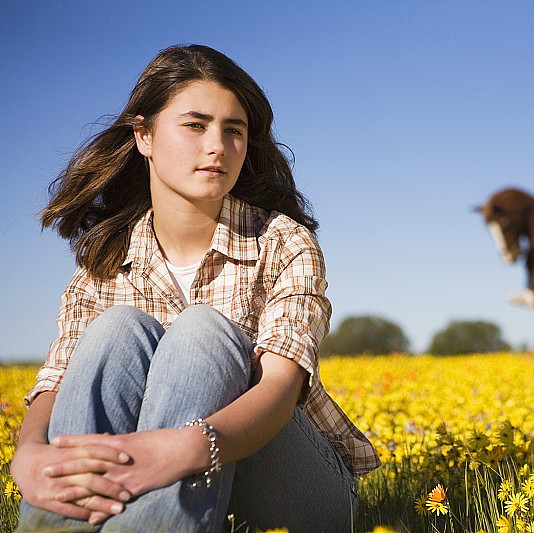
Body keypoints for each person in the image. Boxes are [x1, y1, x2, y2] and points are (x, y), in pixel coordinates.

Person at [10, 44, 380, 533]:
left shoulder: (283, 241)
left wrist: (180, 449)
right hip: (142, 468)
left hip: (290, 489)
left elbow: (279, 387)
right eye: (195, 125)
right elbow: (55, 384)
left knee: (203, 330)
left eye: (234, 130)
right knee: (116, 329)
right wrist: (30, 455)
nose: (217, 146)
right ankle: (59, 524)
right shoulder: (102, 264)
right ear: (143, 135)